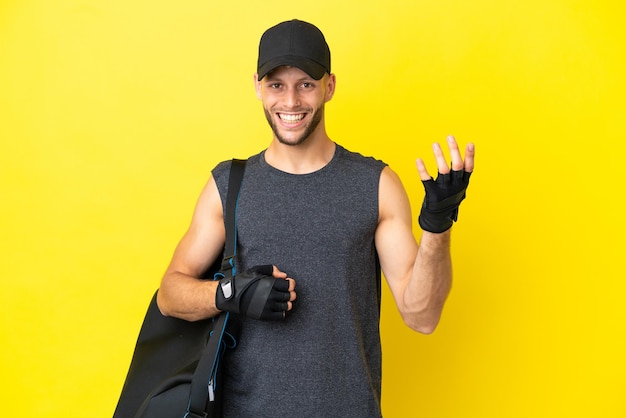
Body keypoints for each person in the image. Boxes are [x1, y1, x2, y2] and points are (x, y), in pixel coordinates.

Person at [156, 19, 474, 417]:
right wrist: (231, 293)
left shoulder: (375, 185)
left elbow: (422, 315)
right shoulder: (229, 185)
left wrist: (438, 225)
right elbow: (169, 296)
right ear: (257, 86)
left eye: (305, 83)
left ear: (330, 86)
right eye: (276, 85)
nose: (290, 101)